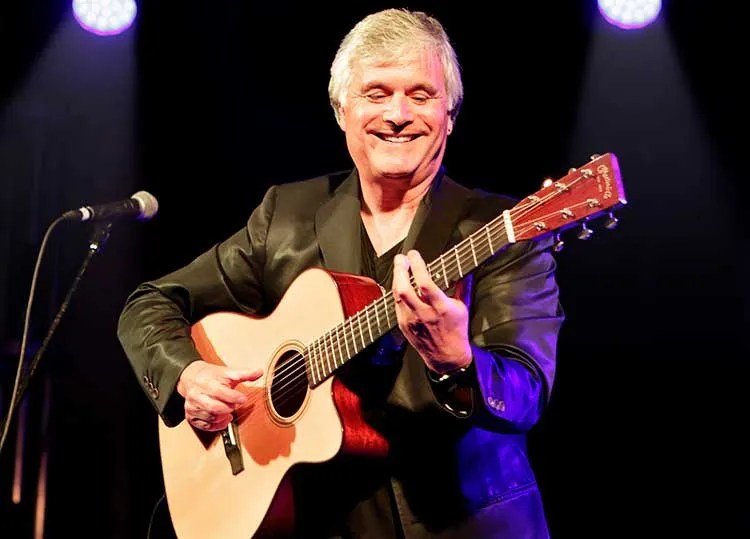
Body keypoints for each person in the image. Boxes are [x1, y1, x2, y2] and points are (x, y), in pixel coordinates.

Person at [117, 7, 564, 539]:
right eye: (376, 93)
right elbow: (151, 303)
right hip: (315, 522)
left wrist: (457, 361)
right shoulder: (286, 216)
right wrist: (187, 374)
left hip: (462, 524)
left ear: (450, 114)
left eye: (421, 94)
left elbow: (526, 392)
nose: (398, 114)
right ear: (340, 110)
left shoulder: (501, 230)